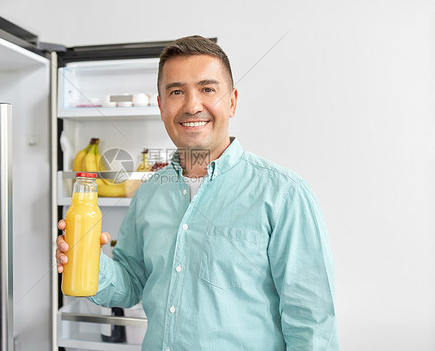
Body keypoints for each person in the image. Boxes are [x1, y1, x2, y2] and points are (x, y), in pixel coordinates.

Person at [56, 36, 339, 350]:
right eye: (176, 91)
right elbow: (131, 284)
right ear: (161, 106)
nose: (191, 105)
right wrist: (89, 261)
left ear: (231, 101)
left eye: (207, 89)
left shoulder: (285, 195)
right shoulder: (150, 192)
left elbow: (312, 326)